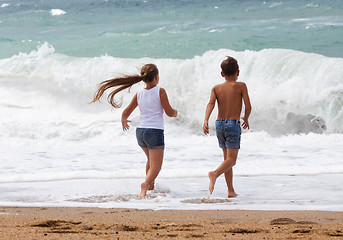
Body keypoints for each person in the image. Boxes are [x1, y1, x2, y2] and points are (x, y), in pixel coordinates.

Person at [91, 64, 177, 197]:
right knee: (157, 166)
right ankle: (146, 184)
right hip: (154, 131)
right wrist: (175, 112)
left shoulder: (139, 93)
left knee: (150, 159)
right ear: (156, 77)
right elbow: (169, 112)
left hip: (141, 132)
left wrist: (124, 120)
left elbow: (126, 112)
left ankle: (151, 186)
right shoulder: (160, 91)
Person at [203, 56, 251, 198]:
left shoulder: (216, 88)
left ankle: (230, 191)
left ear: (222, 74)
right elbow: (248, 106)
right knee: (232, 160)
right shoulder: (241, 86)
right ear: (238, 72)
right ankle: (215, 174)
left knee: (227, 160)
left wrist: (205, 120)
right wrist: (246, 118)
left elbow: (211, 104)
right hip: (232, 124)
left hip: (219, 124)